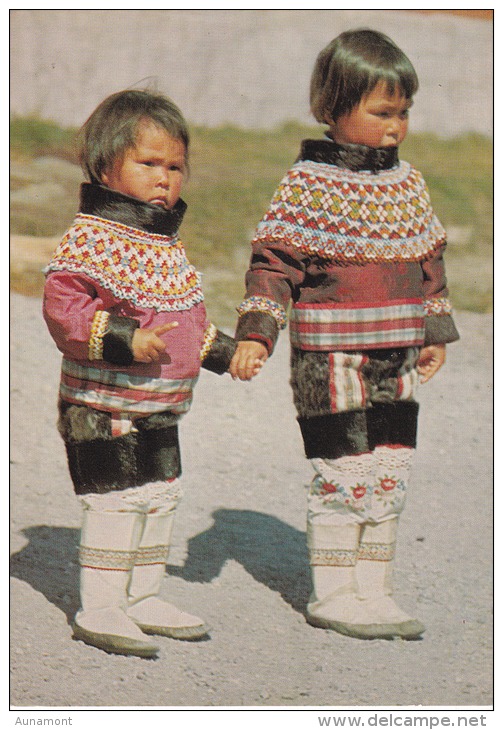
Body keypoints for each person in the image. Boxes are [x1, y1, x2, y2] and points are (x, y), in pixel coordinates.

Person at [230, 29, 459, 640]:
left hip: (398, 355)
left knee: (391, 467)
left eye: (404, 112)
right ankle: (334, 592)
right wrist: (257, 332)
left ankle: (375, 589)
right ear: (332, 109)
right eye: (382, 112)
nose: (397, 126)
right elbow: (273, 263)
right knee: (344, 467)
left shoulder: (408, 184)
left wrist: (433, 331)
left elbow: (427, 262)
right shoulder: (307, 186)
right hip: (331, 359)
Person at [43, 89, 260, 657]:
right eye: (149, 163)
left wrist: (228, 352)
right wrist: (122, 338)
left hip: (159, 406)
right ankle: (103, 606)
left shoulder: (166, 246)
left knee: (159, 497)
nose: (165, 178)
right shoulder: (92, 239)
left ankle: (143, 596)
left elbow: (184, 324)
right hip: (103, 404)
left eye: (175, 167)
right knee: (115, 502)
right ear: (105, 166)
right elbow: (64, 310)